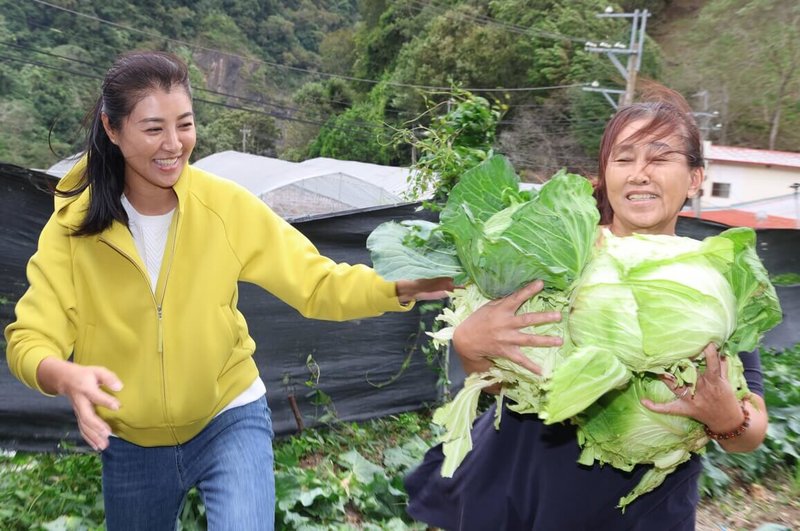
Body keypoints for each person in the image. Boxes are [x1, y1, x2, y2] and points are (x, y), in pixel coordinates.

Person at [4, 50, 452, 531]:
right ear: (112, 130)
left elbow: (317, 284)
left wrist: (401, 284)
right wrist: (62, 376)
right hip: (131, 441)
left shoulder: (225, 208)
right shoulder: (73, 226)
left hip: (229, 416)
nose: (173, 144)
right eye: (153, 128)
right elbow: (30, 337)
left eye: (185, 124)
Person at [403, 86, 769, 530]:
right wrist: (469, 344)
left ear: (695, 178)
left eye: (659, 158)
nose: (640, 173)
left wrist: (727, 418)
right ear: (605, 173)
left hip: (637, 511)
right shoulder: (557, 253)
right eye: (624, 158)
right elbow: (500, 384)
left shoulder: (711, 278)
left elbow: (750, 433)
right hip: (521, 486)